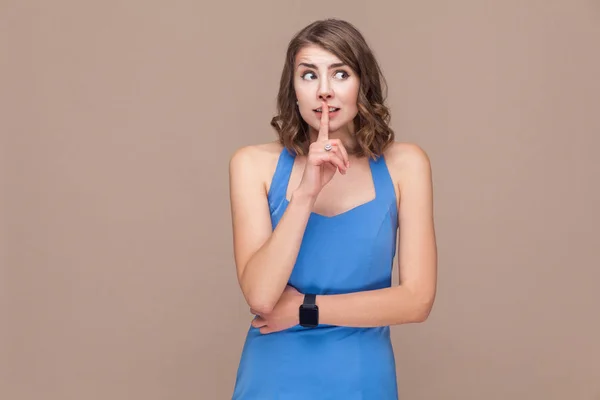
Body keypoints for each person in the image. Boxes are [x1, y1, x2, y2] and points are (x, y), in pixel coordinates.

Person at [228, 18, 437, 399]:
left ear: (363, 85)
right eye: (309, 76)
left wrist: (305, 309)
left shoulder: (406, 165)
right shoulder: (252, 165)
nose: (324, 91)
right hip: (273, 378)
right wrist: (306, 191)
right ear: (293, 91)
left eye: (340, 74)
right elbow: (260, 296)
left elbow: (417, 300)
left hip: (362, 380)